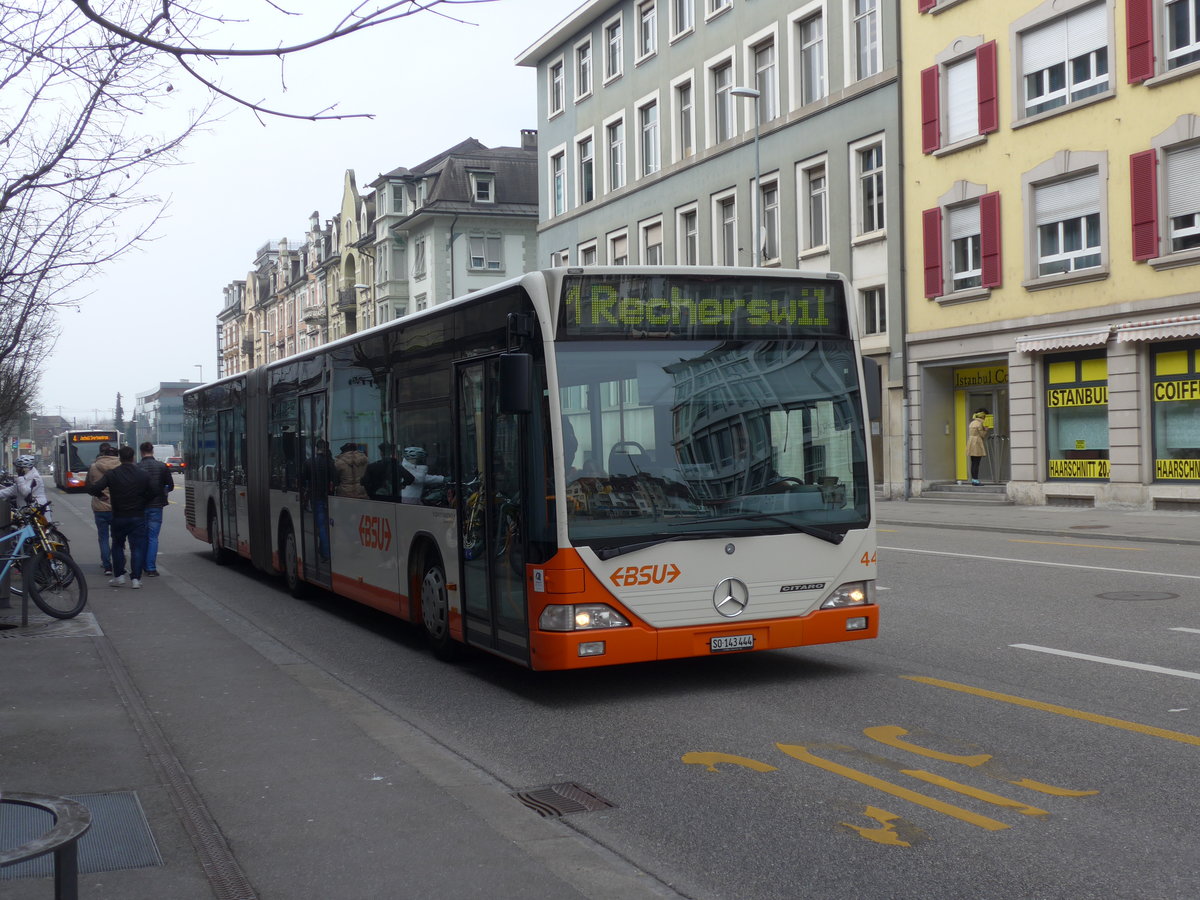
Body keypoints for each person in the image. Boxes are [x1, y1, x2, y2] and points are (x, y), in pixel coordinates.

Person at [87, 445, 159, 589]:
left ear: (120, 458)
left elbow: (92, 488)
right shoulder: (142, 474)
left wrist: (102, 496)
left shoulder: (112, 474)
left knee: (117, 546)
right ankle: (136, 579)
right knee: (137, 547)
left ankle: (119, 576)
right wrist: (142, 501)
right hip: (137, 515)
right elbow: (154, 491)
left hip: (118, 515)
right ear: (133, 458)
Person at [138, 441, 174, 577]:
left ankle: (141, 565)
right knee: (153, 537)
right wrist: (162, 492)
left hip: (141, 507)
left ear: (141, 452)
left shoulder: (138, 467)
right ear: (152, 451)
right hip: (156, 506)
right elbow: (170, 485)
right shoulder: (162, 466)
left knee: (142, 537)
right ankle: (151, 567)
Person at [85, 443, 122, 575]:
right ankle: (118, 562)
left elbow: (88, 486)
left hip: (99, 507)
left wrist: (100, 496)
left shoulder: (94, 467)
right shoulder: (121, 467)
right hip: (117, 507)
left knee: (103, 537)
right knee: (117, 537)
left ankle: (107, 565)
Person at [967, 409, 991, 485]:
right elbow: (982, 435)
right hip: (977, 442)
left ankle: (973, 480)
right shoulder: (980, 423)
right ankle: (975, 480)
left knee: (973, 462)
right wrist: (986, 430)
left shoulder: (972, 422)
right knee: (977, 462)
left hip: (971, 442)